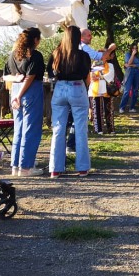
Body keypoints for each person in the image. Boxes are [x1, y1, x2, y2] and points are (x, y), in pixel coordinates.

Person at [47, 26, 92, 178]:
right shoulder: (83, 55)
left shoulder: (56, 54)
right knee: (80, 128)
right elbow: (86, 75)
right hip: (77, 87)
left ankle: (55, 168)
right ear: (78, 38)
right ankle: (82, 168)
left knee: (58, 129)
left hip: (59, 89)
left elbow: (50, 74)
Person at [7, 27, 46, 177]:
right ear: (35, 40)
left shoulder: (13, 56)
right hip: (30, 92)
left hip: (15, 91)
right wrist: (20, 94)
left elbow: (6, 76)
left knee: (18, 130)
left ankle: (15, 166)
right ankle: (26, 167)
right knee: (30, 130)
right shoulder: (35, 55)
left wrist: (16, 92)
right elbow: (30, 77)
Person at [118, 44, 139, 113]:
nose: (134, 50)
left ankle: (132, 107)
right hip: (129, 72)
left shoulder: (138, 56)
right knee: (127, 90)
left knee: (135, 90)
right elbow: (128, 62)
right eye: (133, 48)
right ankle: (122, 107)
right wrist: (132, 55)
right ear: (131, 49)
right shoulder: (128, 54)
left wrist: (131, 65)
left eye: (136, 49)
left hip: (136, 72)